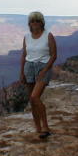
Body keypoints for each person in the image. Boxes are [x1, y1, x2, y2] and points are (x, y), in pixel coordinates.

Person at [19, 11, 57, 139]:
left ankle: (45, 127)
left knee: (35, 97)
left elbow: (54, 55)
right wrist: (21, 73)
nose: (35, 23)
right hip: (29, 67)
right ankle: (38, 127)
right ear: (29, 23)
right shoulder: (26, 37)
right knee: (31, 99)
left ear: (42, 23)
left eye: (37, 21)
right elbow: (24, 55)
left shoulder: (48, 36)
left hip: (42, 67)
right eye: (32, 21)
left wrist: (45, 70)